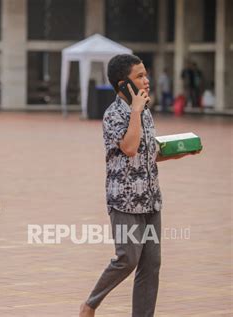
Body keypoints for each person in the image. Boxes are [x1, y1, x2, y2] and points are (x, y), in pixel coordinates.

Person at [79, 54, 200, 317]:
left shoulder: (144, 112)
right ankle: (90, 304)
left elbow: (150, 151)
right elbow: (130, 148)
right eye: (140, 76)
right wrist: (135, 110)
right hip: (124, 201)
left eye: (146, 74)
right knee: (127, 259)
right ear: (123, 85)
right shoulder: (114, 115)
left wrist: (181, 151)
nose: (147, 81)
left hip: (151, 199)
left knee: (151, 264)